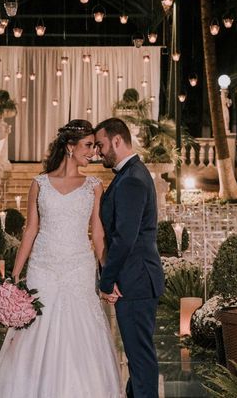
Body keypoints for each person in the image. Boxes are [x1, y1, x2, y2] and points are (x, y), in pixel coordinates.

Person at [0, 119, 122, 398]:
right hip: (43, 267)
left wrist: (108, 274)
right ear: (69, 147)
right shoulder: (39, 183)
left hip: (78, 267)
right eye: (88, 146)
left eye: (94, 146)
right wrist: (15, 276)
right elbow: (30, 229)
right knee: (36, 329)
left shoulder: (94, 186)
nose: (94, 152)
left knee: (80, 330)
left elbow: (98, 235)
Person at [94, 117, 164, 398]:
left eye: (100, 145)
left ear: (117, 140)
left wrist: (106, 280)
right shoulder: (129, 174)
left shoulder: (132, 179)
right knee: (139, 358)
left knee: (141, 359)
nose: (98, 152)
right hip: (137, 279)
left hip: (135, 280)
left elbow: (125, 238)